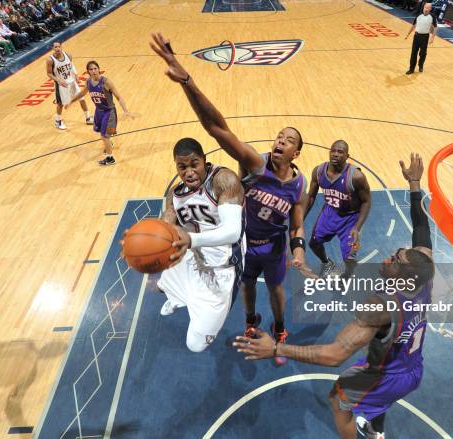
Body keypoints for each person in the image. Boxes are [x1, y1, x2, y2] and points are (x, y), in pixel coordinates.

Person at [234, 153, 435, 439]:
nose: (390, 257)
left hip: (388, 375)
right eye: (396, 253)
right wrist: (414, 184)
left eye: (397, 261)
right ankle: (376, 429)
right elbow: (422, 230)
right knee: (372, 389)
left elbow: (334, 355)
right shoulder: (425, 274)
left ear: (405, 276)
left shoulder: (379, 308)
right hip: (412, 365)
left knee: (338, 400)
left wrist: (277, 349)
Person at [150, 32, 309, 366]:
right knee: (248, 288)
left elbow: (297, 223)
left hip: (275, 246)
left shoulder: (299, 184)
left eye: (289, 139)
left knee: (277, 291)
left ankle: (280, 329)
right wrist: (187, 81)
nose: (281, 140)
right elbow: (216, 129)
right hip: (247, 242)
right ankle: (251, 323)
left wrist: (298, 251)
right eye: (279, 135)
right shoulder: (255, 164)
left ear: (297, 151)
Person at [155, 138, 245, 352]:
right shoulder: (175, 195)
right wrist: (146, 238)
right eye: (182, 167)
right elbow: (166, 224)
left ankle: (191, 299)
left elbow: (232, 232)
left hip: (222, 268)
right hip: (191, 256)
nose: (189, 172)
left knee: (195, 345)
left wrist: (191, 240)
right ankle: (179, 298)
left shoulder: (223, 180)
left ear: (204, 161)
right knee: (161, 285)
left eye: (194, 164)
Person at [305, 140, 371, 278]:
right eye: (333, 151)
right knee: (313, 243)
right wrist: (301, 217)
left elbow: (366, 202)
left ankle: (347, 275)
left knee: (350, 258)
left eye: (340, 152)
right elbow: (310, 196)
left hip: (351, 219)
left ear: (347, 156)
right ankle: (327, 263)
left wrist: (357, 227)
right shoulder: (318, 172)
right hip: (330, 212)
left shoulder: (356, 177)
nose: (335, 154)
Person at [66, 60, 133, 165]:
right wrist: (71, 101)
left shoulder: (106, 82)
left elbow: (119, 97)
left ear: (99, 69)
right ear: (88, 71)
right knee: (102, 133)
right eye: (91, 69)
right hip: (98, 111)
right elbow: (82, 93)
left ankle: (110, 158)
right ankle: (109, 142)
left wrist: (126, 111)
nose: (93, 71)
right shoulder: (88, 82)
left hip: (109, 112)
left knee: (104, 136)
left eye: (95, 68)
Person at [46, 41, 91, 130]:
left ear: (61, 47)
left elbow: (71, 66)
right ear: (52, 49)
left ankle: (88, 117)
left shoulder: (68, 55)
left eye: (58, 46)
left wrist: (76, 75)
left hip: (72, 82)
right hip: (61, 85)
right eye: (55, 47)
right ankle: (58, 121)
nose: (57, 48)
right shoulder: (50, 60)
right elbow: (49, 73)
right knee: (60, 104)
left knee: (81, 99)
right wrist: (58, 79)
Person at [404, 2, 437, 74]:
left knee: (423, 53)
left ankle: (421, 65)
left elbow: (435, 27)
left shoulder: (432, 17)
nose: (426, 9)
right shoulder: (419, 15)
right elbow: (413, 25)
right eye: (425, 7)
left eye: (428, 8)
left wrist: (432, 37)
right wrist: (408, 34)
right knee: (413, 53)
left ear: (430, 9)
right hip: (416, 37)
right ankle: (411, 69)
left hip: (425, 37)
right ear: (423, 7)